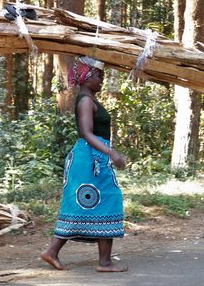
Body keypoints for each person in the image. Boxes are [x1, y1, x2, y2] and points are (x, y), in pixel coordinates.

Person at [41, 56, 128, 272]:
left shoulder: (88, 99)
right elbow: (87, 133)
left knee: (93, 203)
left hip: (94, 158)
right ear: (87, 77)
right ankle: (102, 262)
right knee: (102, 200)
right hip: (89, 159)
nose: (102, 80)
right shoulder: (86, 101)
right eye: (99, 76)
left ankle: (55, 252)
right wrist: (112, 153)